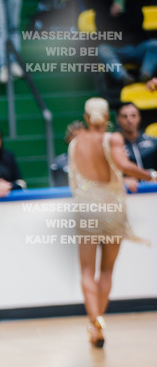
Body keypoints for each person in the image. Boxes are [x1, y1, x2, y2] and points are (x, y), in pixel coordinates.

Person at [67, 97, 153, 347]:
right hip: (112, 208)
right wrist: (151, 175)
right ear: (107, 118)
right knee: (106, 271)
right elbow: (123, 164)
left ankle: (95, 324)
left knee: (86, 271)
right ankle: (98, 323)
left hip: (85, 209)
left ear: (86, 117)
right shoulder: (112, 138)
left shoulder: (75, 143)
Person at [96, 0, 157, 86]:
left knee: (154, 44)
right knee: (102, 49)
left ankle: (145, 74)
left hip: (136, 47)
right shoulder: (102, 6)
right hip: (116, 49)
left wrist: (123, 14)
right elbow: (101, 32)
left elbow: (138, 25)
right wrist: (111, 15)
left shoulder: (135, 4)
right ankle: (124, 77)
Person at [114, 102, 157, 191]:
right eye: (124, 116)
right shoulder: (114, 146)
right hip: (129, 193)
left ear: (139, 117)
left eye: (133, 115)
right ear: (118, 119)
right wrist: (122, 180)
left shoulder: (153, 142)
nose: (129, 120)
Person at [50, 120, 85, 187]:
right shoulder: (59, 163)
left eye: (82, 137)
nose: (79, 140)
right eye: (75, 137)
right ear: (68, 139)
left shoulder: (93, 160)